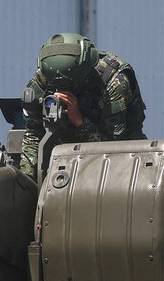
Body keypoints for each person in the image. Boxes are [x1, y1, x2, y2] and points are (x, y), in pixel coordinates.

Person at [20, 32, 147, 181]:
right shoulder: (47, 75)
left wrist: (79, 120)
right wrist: (26, 181)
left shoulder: (114, 81)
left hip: (123, 161)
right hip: (63, 158)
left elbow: (113, 148)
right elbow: (34, 133)